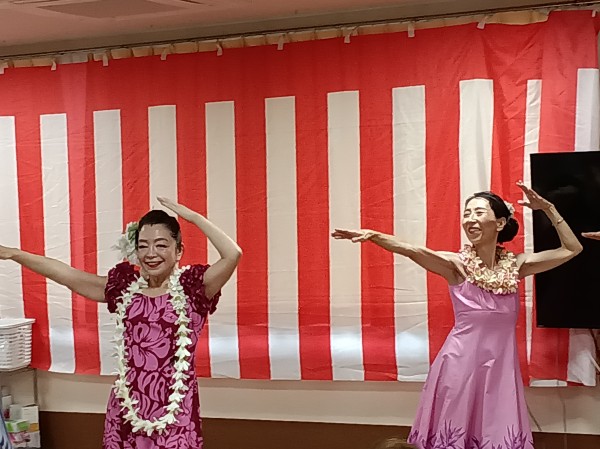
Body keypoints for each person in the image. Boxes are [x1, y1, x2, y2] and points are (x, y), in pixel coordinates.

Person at [332, 181, 582, 449]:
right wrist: (374, 236)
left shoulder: (517, 266)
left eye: (478, 212)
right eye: (466, 213)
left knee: (496, 431)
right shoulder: (456, 265)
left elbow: (572, 249)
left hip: (500, 368)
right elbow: (413, 250)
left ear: (499, 223)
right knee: (454, 433)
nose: (470, 219)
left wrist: (548, 208)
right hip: (460, 364)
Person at [0, 197, 242, 449]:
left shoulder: (194, 289)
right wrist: (16, 254)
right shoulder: (125, 287)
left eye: (161, 245)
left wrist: (194, 217)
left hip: (175, 412)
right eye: (143, 245)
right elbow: (69, 276)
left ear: (178, 251)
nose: (151, 253)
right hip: (127, 408)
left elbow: (233, 254)